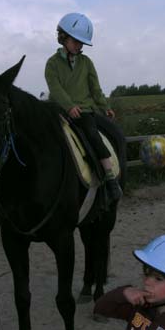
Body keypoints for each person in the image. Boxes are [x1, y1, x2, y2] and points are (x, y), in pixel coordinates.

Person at [45, 12, 122, 202]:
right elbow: (55, 88)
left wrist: (105, 107)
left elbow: (95, 89)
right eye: (76, 41)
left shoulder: (87, 63)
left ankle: (110, 179)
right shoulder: (52, 64)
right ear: (63, 37)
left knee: (94, 136)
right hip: (60, 111)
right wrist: (69, 106)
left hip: (84, 112)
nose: (79, 45)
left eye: (81, 43)